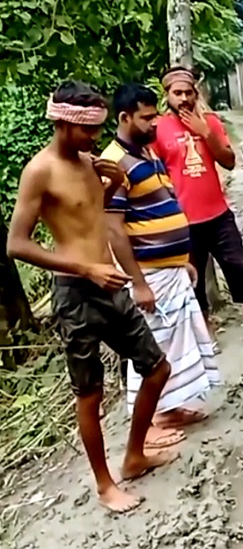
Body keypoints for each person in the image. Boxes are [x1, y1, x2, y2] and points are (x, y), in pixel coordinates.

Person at [6, 81, 176, 513]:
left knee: (156, 369)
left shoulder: (88, 162)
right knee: (90, 394)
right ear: (63, 123)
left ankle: (134, 456)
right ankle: (105, 484)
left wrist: (115, 184)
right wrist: (85, 268)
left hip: (109, 283)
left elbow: (91, 216)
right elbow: (17, 245)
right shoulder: (39, 171)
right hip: (77, 291)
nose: (96, 138)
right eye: (89, 130)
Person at [102, 82, 221, 434]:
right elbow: (114, 228)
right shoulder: (114, 162)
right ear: (125, 118)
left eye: (155, 117)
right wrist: (138, 282)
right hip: (149, 274)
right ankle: (151, 420)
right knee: (152, 346)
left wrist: (179, 259)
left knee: (178, 342)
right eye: (147, 118)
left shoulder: (146, 152)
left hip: (169, 269)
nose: (155, 124)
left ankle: (173, 408)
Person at [151, 66, 243, 345]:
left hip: (218, 213)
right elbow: (156, 171)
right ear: (167, 96)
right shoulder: (158, 128)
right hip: (182, 219)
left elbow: (229, 161)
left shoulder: (210, 121)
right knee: (194, 278)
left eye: (188, 92)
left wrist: (204, 132)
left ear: (195, 93)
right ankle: (206, 331)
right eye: (177, 93)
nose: (184, 98)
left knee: (239, 266)